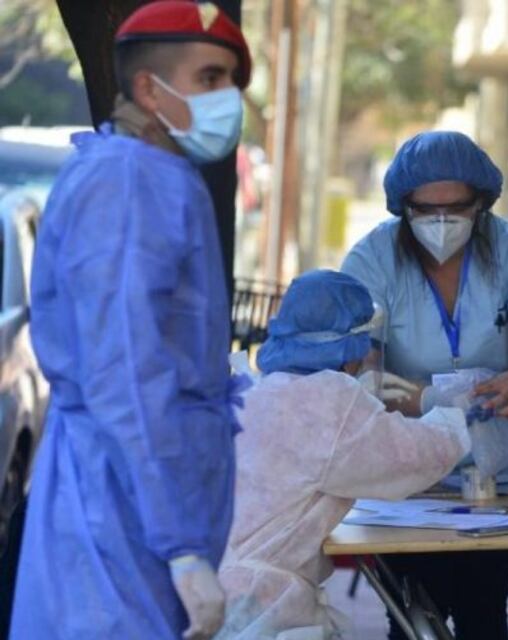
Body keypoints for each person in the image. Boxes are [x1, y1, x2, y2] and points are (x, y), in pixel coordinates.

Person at [10, 3, 252, 639]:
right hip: (121, 517)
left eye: (230, 80)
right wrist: (180, 546)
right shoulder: (127, 183)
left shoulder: (154, 176)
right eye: (209, 78)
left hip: (133, 512)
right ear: (149, 88)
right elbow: (124, 372)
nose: (228, 98)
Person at [341, 130, 508, 639]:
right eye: (426, 210)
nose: (442, 222)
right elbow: (361, 371)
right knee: (411, 616)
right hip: (406, 460)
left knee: (483, 610)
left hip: (501, 463)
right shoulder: (372, 258)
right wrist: (421, 398)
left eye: (458, 208)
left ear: (483, 204)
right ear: (403, 206)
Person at [216, 270, 471, 639]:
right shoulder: (329, 402)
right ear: (350, 348)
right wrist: (460, 411)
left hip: (200, 593)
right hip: (258, 610)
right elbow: (413, 458)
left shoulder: (247, 393)